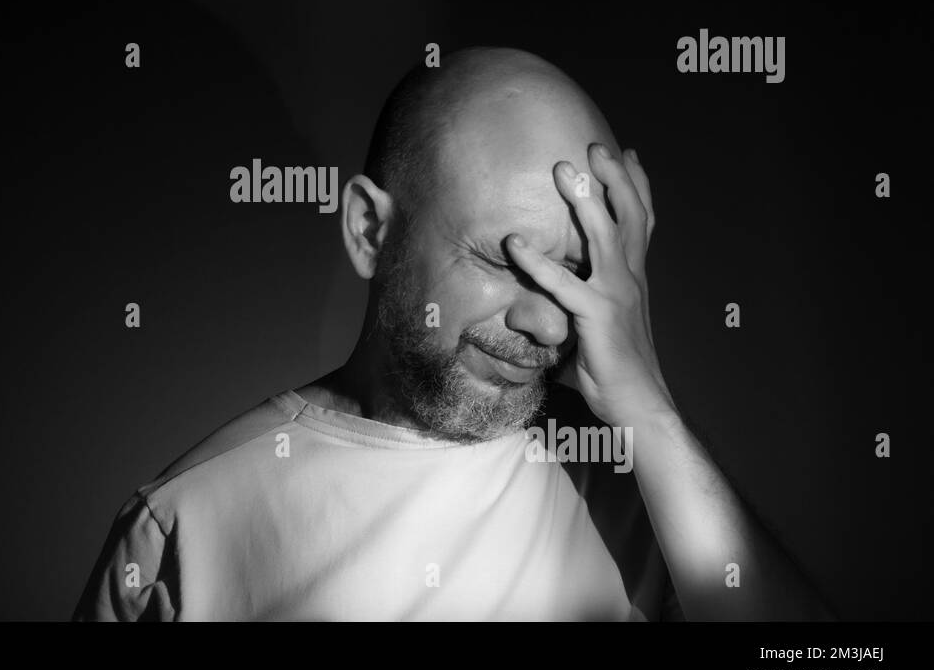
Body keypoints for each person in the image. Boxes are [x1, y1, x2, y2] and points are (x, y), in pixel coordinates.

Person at [73, 46, 834, 621]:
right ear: (371, 231)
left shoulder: (639, 484)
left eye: (572, 272)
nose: (543, 322)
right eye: (502, 261)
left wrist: (651, 412)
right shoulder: (186, 524)